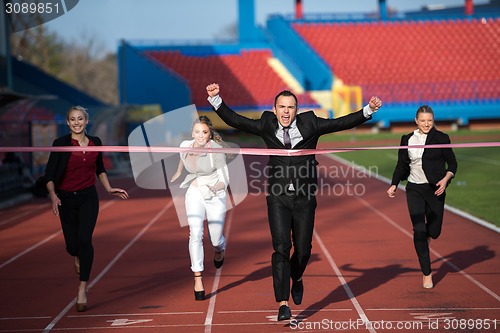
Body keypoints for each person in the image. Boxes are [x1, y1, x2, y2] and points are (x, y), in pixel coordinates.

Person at [206, 83, 382, 320]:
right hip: (278, 196)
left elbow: (341, 122)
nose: (286, 112)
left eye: (290, 107)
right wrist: (217, 99)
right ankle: (283, 303)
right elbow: (236, 120)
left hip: (305, 196)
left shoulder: (311, 124)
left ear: (296, 110)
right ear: (274, 109)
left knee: (303, 250)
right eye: (282, 107)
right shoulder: (266, 124)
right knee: (281, 248)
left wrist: (367, 110)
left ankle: (297, 276)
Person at [37, 106, 129, 312]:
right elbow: (49, 174)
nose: (76, 122)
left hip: (88, 197)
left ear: (86, 121)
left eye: (80, 119)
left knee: (85, 240)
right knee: (72, 246)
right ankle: (77, 254)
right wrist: (53, 195)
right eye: (72, 119)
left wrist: (109, 188)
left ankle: (82, 289)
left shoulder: (96, 142)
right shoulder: (60, 144)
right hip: (66, 200)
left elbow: (100, 168)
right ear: (68, 123)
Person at [387, 105, 457, 289]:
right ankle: (427, 273)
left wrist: (445, 180)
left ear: (433, 121)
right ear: (416, 121)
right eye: (423, 120)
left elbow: (452, 164)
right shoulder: (407, 139)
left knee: (434, 232)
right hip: (414, 189)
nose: (426, 124)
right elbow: (401, 165)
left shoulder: (441, 138)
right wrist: (394, 184)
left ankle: (426, 236)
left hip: (435, 190)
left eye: (430, 120)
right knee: (419, 231)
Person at [170, 116, 229, 301]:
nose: (200, 136)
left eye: (204, 132)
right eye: (197, 132)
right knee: (195, 234)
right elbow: (182, 157)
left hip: (215, 194)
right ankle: (198, 278)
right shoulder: (185, 144)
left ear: (209, 133)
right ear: (192, 133)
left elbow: (224, 179)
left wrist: (216, 188)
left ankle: (219, 248)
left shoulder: (216, 150)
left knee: (215, 239)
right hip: (194, 191)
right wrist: (179, 171)